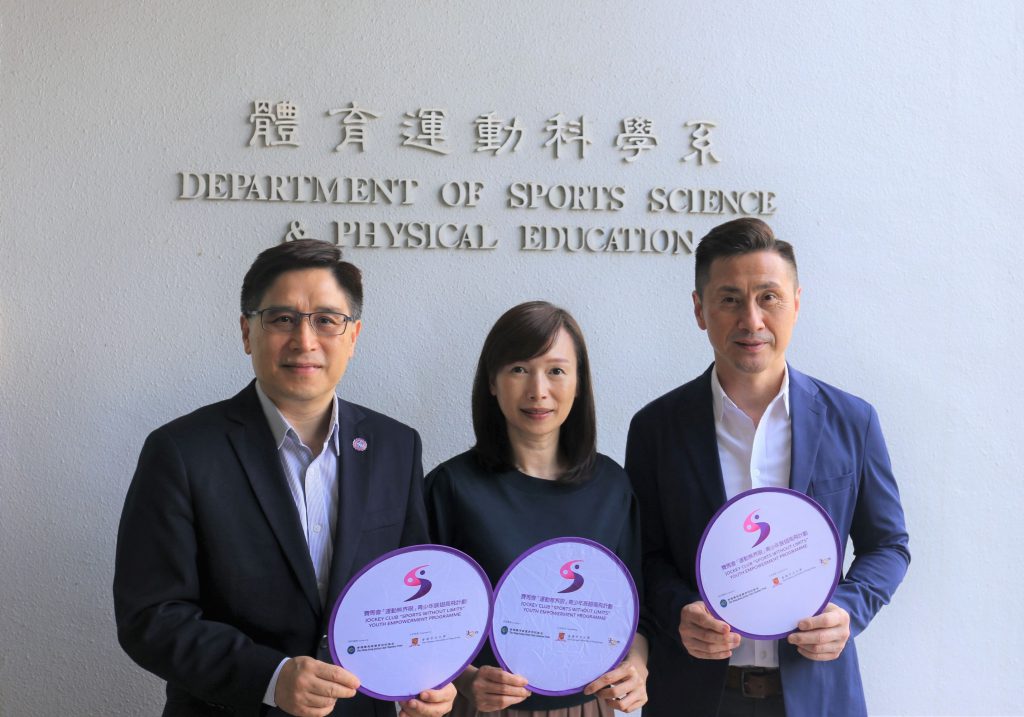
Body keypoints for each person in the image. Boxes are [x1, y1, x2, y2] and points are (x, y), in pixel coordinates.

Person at [114, 239, 456, 717]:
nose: (305, 340)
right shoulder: (181, 451)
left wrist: (428, 675)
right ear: (247, 333)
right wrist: (270, 679)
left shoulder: (395, 446)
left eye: (326, 320)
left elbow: (412, 590)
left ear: (353, 336)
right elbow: (150, 616)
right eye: (282, 318)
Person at [626, 218, 910, 717]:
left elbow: (888, 545)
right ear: (700, 310)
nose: (751, 320)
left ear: (797, 302)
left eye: (769, 297)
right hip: (692, 696)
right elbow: (643, 554)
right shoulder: (656, 427)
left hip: (818, 694)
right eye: (730, 298)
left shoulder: (852, 421)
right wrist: (677, 611)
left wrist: (848, 608)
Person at [425, 301, 649, 717]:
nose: (538, 390)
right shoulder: (450, 487)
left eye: (557, 370)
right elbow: (422, 622)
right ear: (492, 381)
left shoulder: (612, 487)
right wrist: (469, 679)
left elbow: (635, 613)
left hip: (587, 709)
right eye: (518, 369)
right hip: (483, 709)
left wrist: (637, 666)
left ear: (579, 383)